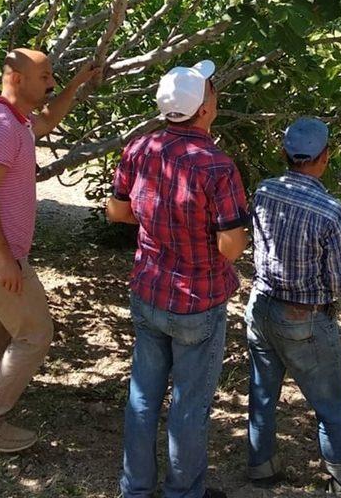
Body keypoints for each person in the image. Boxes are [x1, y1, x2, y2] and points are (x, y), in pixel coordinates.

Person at [0, 49, 99, 453]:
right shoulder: (2, 129)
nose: (51, 83)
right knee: (34, 334)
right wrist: (3, 258)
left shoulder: (11, 119)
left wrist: (78, 84)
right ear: (16, 79)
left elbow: (45, 123)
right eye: (45, 76)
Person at [106, 60, 249, 498]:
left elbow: (117, 211)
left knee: (143, 397)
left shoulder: (139, 148)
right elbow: (230, 246)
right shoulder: (217, 166)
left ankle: (136, 488)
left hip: (149, 290)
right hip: (197, 301)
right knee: (189, 404)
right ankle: (183, 492)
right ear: (204, 108)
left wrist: (158, 223)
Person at [245, 117, 341, 494]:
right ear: (325, 157)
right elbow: (338, 283)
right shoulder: (330, 212)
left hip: (261, 305)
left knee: (263, 393)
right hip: (304, 316)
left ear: (284, 153)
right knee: (330, 404)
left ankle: (261, 466)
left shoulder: (264, 191)